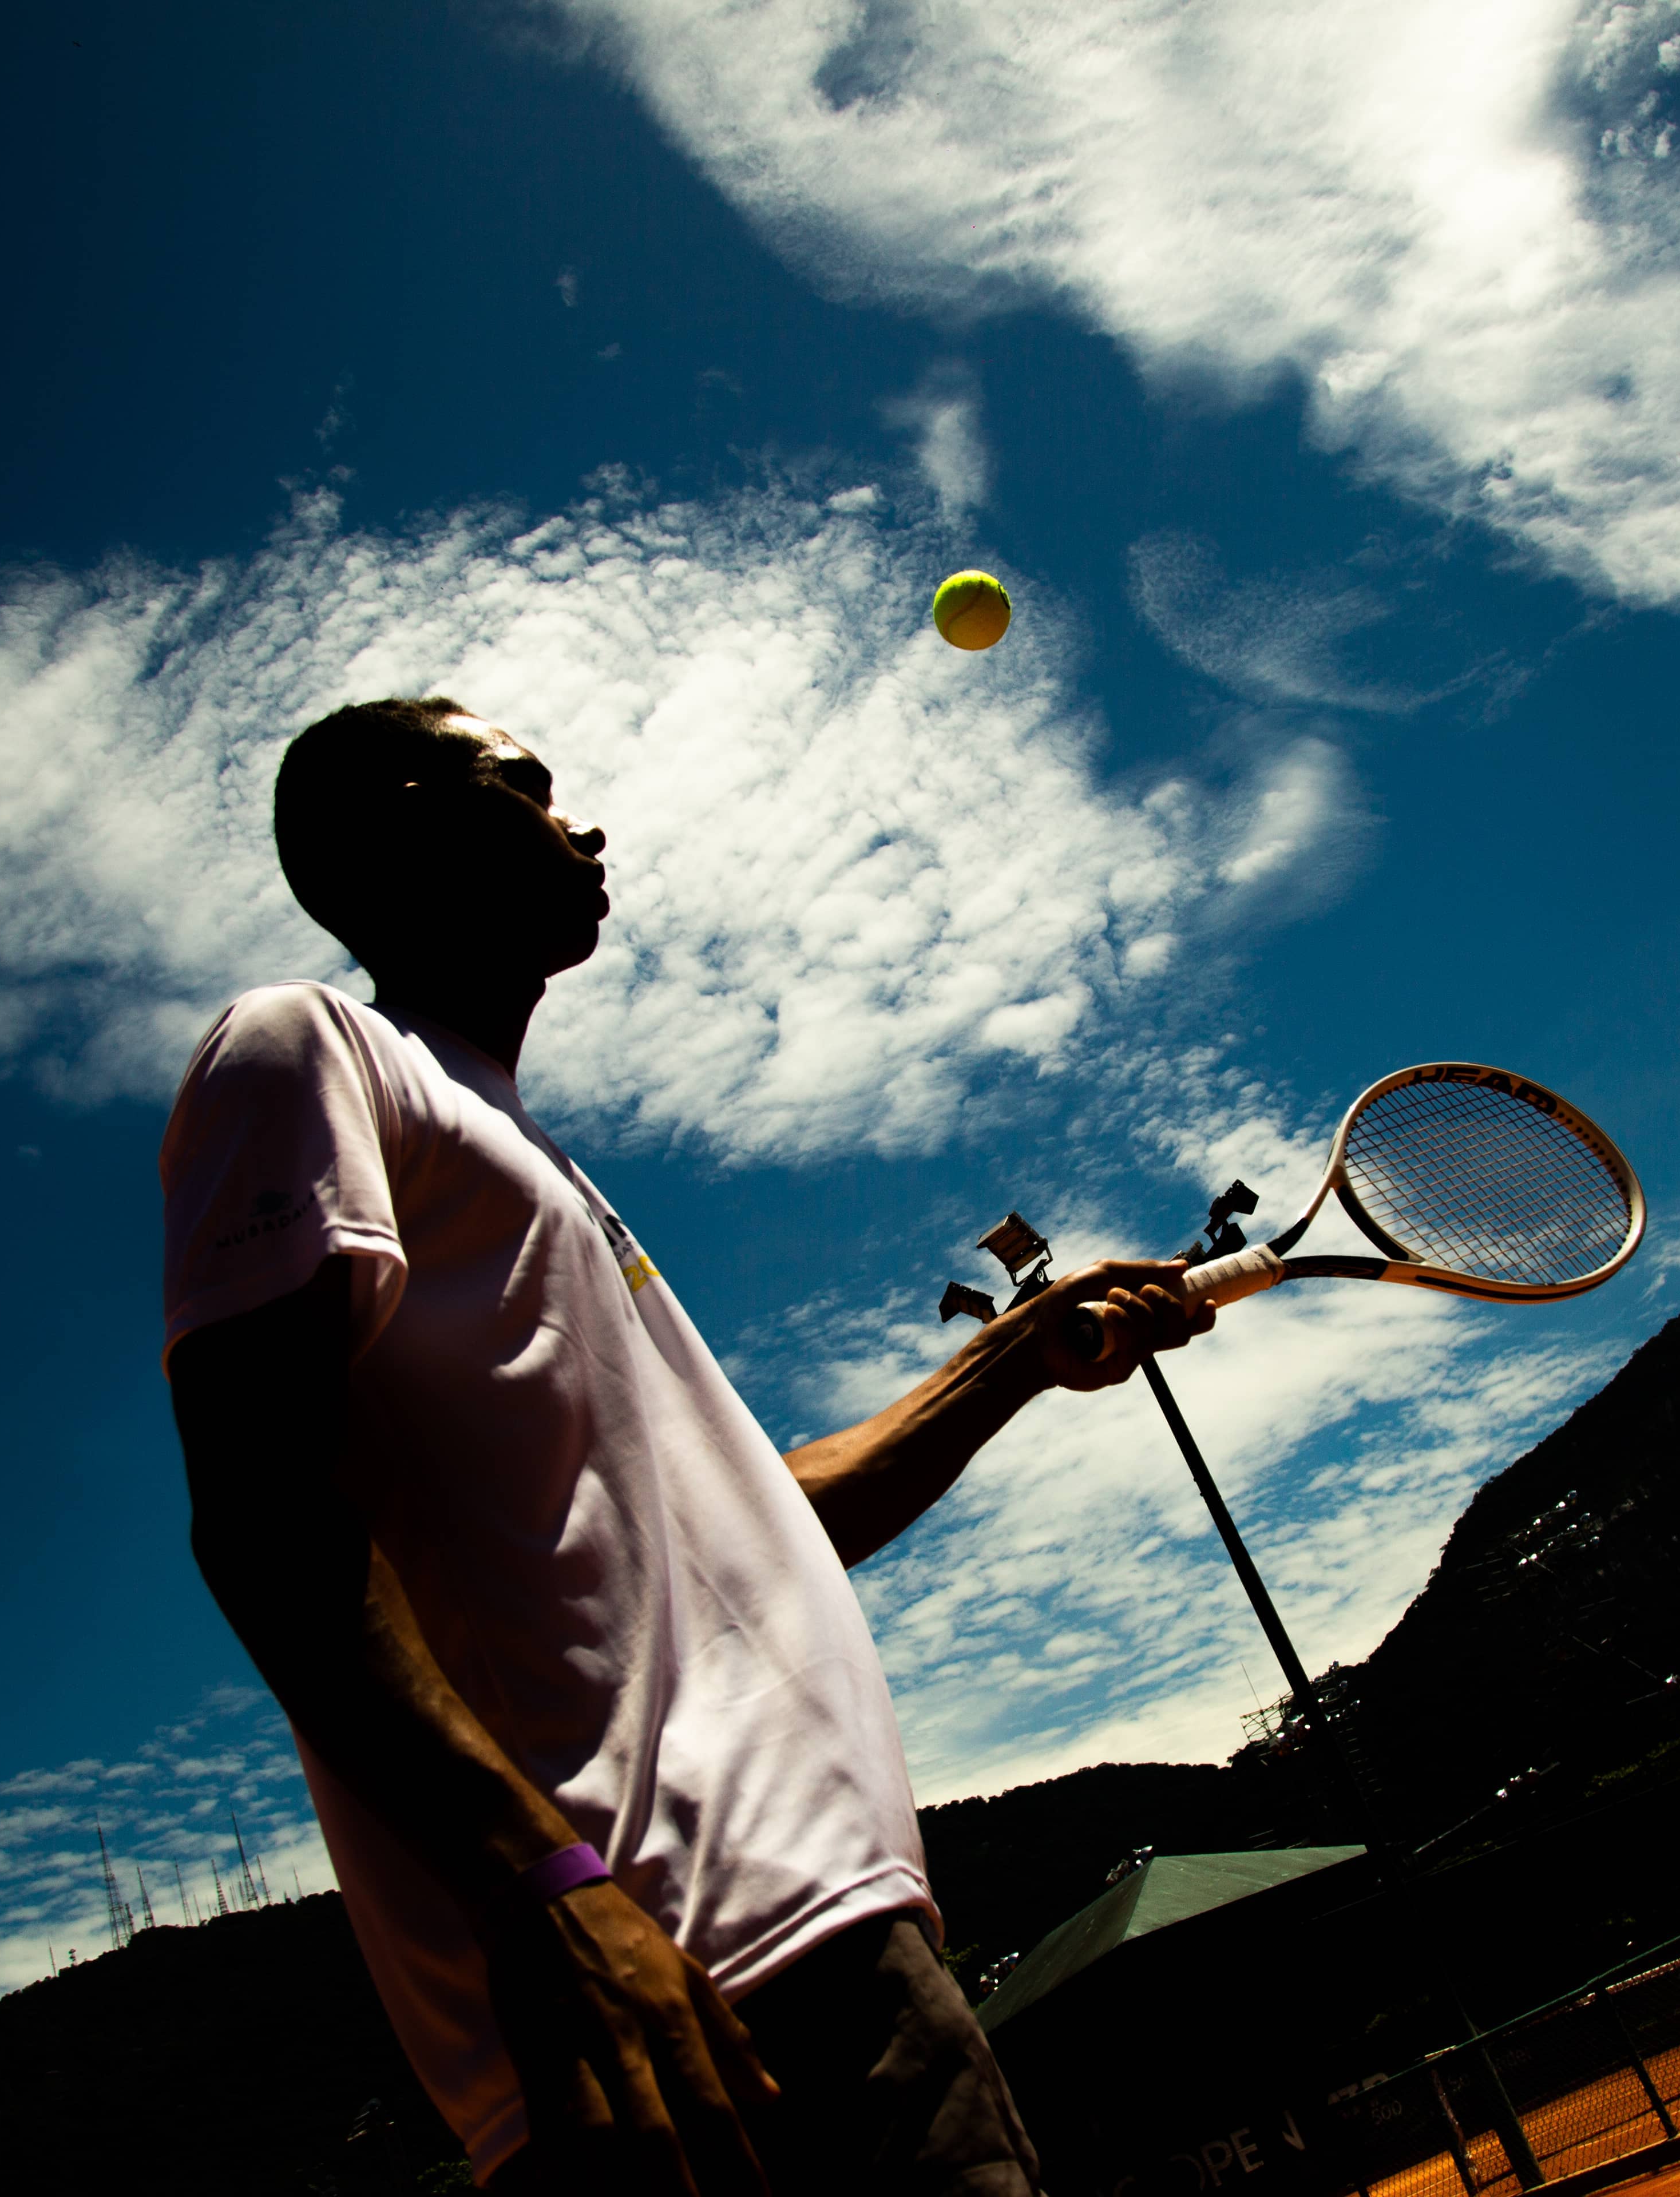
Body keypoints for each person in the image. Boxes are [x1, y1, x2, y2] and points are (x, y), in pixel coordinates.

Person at [159, 697, 1211, 2195]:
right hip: (675, 1991)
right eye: (526, 789)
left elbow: (763, 1535)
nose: (583, 825)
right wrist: (555, 1893)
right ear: (407, 817)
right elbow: (264, 1517)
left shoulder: (522, 1149)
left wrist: (1010, 1361)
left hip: (811, 1946)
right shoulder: (307, 1049)